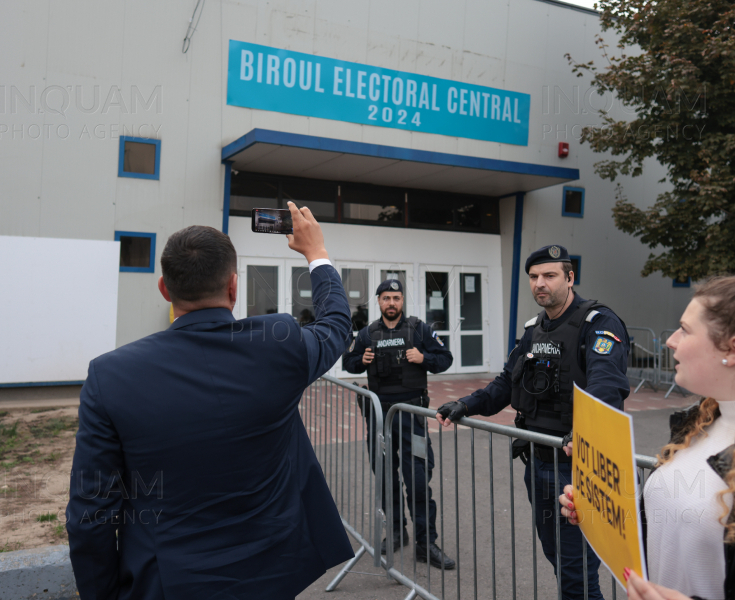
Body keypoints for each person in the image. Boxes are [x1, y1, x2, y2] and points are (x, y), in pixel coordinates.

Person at [66, 202, 355, 600]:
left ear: (165, 289)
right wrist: (317, 254)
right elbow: (336, 325)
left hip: (168, 582)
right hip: (273, 575)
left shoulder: (110, 376)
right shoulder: (280, 345)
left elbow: (91, 515)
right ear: (234, 288)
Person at [561, 267, 735, 600]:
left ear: (733, 349)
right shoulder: (698, 425)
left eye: (685, 330)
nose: (670, 340)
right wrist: (599, 510)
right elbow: (667, 533)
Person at [436, 244, 630, 600]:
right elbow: (505, 384)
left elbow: (607, 383)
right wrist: (465, 404)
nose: (540, 283)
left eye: (550, 275)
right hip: (539, 465)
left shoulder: (598, 323)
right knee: (560, 561)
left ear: (570, 278)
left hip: (577, 470)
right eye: (534, 277)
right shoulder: (534, 329)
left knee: (577, 572)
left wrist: (585, 429)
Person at [342, 279, 456, 570]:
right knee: (385, 478)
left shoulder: (419, 329)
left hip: (412, 419)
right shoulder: (368, 333)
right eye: (386, 298)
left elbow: (445, 359)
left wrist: (423, 357)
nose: (391, 303)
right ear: (378, 301)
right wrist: (361, 359)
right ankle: (394, 533)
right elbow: (349, 363)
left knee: (417, 479)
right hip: (380, 418)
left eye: (396, 297)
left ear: (402, 300)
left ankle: (425, 543)